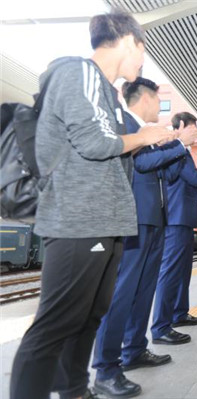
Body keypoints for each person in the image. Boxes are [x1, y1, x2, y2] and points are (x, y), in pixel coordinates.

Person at [10, 12, 175, 399]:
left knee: (87, 318)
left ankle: (74, 391)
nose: (143, 59)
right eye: (143, 48)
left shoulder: (105, 89)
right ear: (127, 39)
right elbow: (96, 142)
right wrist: (144, 136)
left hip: (103, 220)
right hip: (77, 220)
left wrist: (138, 139)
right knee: (53, 325)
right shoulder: (78, 72)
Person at [92, 78, 197, 397]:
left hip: (155, 219)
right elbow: (139, 163)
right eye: (158, 100)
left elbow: (165, 173)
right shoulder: (125, 124)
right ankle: (105, 368)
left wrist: (179, 146)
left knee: (143, 289)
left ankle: (134, 349)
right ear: (146, 98)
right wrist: (178, 143)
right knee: (123, 291)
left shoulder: (149, 134)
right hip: (134, 218)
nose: (161, 107)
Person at [151, 112, 197, 343]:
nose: (196, 133)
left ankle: (179, 313)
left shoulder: (182, 151)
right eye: (193, 128)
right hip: (175, 218)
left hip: (183, 218)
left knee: (182, 270)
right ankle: (161, 326)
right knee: (171, 270)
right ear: (180, 126)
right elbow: (194, 179)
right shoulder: (174, 149)